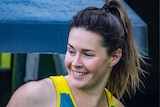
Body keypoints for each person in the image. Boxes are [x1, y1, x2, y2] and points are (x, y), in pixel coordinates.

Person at [7, 0, 146, 107]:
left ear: (114, 57)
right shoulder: (34, 96)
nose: (75, 63)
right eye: (71, 51)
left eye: (87, 54)